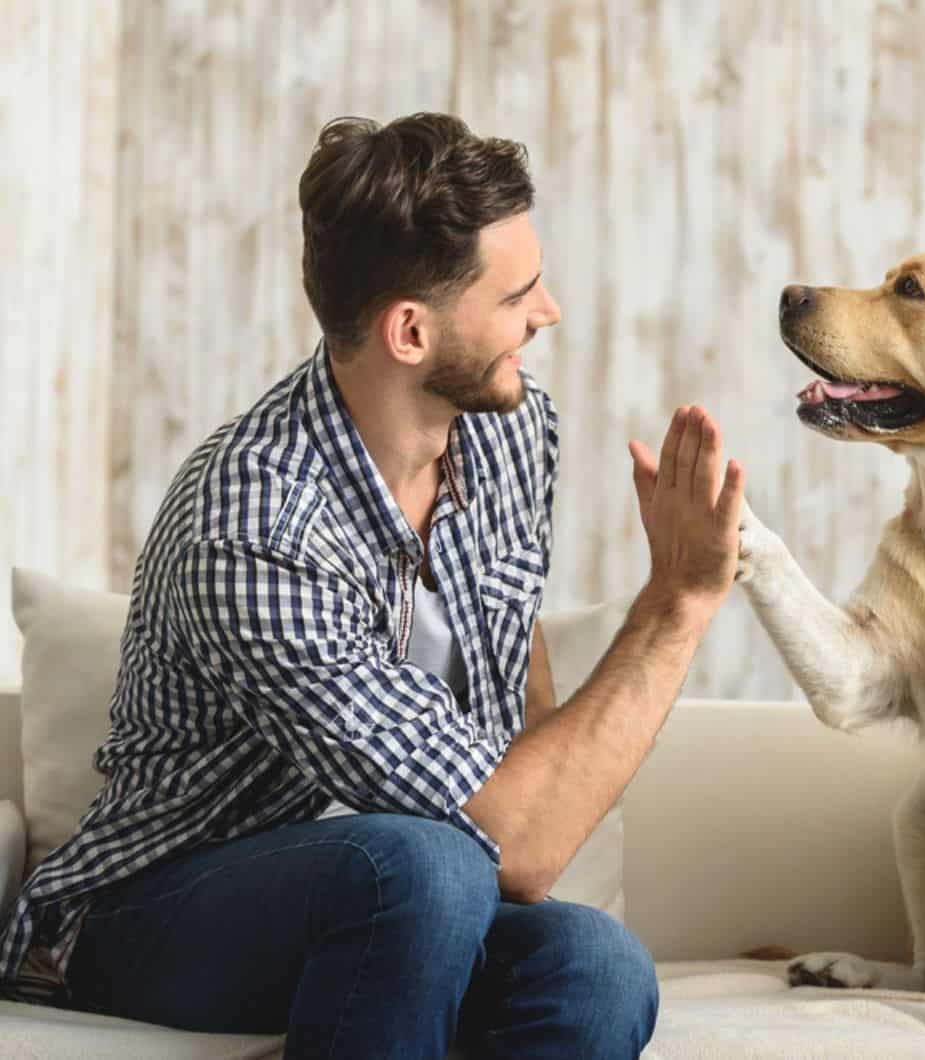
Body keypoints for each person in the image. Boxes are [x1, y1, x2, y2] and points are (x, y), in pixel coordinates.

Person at [0, 111, 744, 1059]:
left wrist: (530, 832)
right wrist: (676, 603)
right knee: (422, 864)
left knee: (596, 966)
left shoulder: (511, 430)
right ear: (410, 331)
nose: (547, 312)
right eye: (517, 293)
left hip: (417, 893)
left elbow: (517, 677)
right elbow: (512, 840)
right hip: (157, 910)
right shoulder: (254, 524)